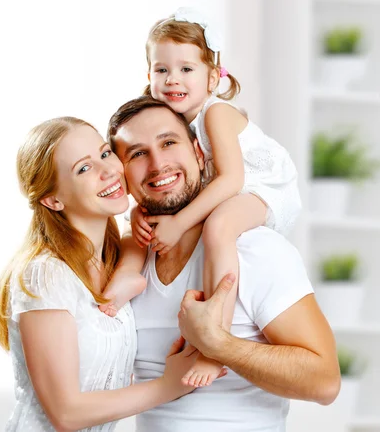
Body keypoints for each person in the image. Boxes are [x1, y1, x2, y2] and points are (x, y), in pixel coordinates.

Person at [106, 95, 340, 431]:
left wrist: (218, 344)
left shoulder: (255, 249)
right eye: (138, 154)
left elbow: (325, 381)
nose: (158, 164)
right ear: (123, 175)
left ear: (200, 155)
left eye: (169, 142)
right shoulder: (127, 264)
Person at [99, 7, 302, 388]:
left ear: (213, 77)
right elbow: (171, 187)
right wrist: (140, 213)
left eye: (186, 69)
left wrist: (178, 222)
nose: (173, 79)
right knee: (155, 224)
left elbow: (230, 180)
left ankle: (214, 342)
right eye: (162, 70)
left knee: (219, 228)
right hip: (231, 188)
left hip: (264, 187)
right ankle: (129, 280)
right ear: (148, 76)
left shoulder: (215, 114)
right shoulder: (176, 121)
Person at [0, 116, 227, 432]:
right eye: (83, 169)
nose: (108, 171)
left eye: (105, 154)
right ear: (53, 199)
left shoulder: (117, 260)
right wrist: (170, 385)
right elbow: (66, 413)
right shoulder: (46, 275)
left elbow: (135, 240)